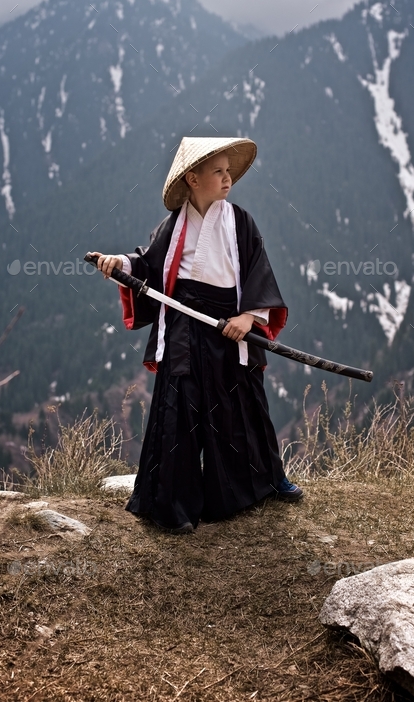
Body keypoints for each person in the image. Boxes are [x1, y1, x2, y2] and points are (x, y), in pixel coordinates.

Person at [89, 136, 303, 534]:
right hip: (184, 326)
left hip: (230, 326)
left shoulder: (240, 222)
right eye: (218, 172)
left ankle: (265, 481)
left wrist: (248, 317)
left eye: (228, 171)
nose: (227, 179)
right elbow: (147, 266)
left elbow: (259, 272)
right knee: (179, 409)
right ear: (193, 178)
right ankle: (172, 505)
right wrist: (120, 263)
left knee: (244, 404)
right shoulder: (173, 228)